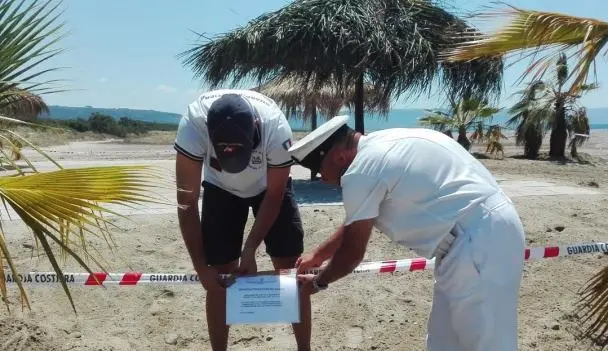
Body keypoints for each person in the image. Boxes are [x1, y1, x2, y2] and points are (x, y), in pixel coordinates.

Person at [288, 115, 526, 351]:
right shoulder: (386, 142)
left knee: (487, 343)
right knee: (444, 342)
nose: (323, 179)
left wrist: (319, 283)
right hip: (476, 237)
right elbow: (358, 222)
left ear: (338, 157)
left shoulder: (360, 172)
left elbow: (351, 253)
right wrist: (319, 255)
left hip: (476, 243)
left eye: (321, 171)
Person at [174, 89, 311, 351]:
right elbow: (187, 202)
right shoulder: (193, 125)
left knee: (289, 266)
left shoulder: (276, 128)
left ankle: (305, 348)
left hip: (267, 185)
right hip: (220, 188)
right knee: (219, 274)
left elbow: (274, 195)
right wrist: (201, 267)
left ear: (255, 128)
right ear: (209, 134)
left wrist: (250, 249)